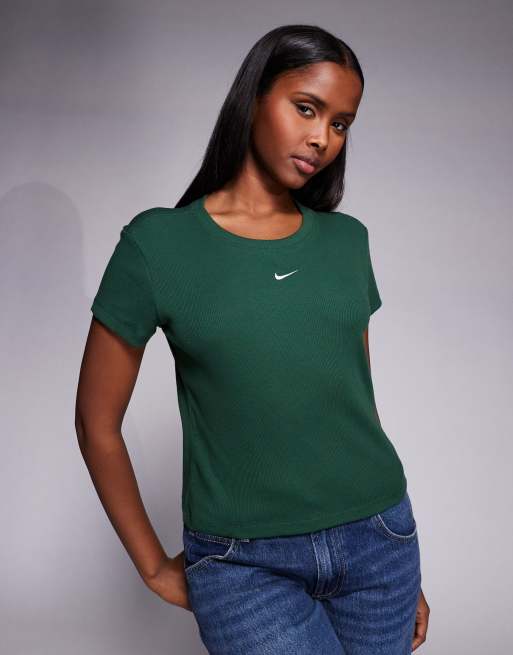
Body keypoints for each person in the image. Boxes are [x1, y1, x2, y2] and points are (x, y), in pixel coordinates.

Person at [75, 23, 430, 654]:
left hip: (380, 540)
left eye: (341, 123)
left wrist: (403, 567)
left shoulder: (347, 242)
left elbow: (355, 401)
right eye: (306, 108)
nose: (322, 138)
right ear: (254, 96)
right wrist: (152, 565)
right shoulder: (158, 245)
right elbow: (96, 422)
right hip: (244, 564)